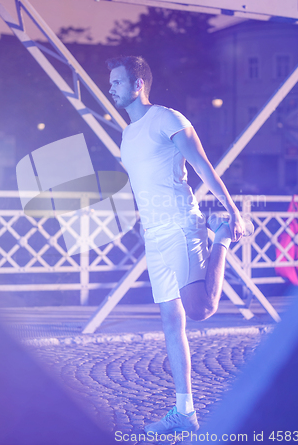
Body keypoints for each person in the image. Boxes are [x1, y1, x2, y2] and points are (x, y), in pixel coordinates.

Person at [107, 55, 252, 436]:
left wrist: (231, 213)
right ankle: (184, 413)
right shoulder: (127, 133)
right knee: (172, 322)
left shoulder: (167, 119)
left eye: (117, 83)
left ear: (138, 84)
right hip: (153, 233)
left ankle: (220, 239)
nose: (111, 89)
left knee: (200, 309)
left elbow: (202, 165)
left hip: (181, 225)